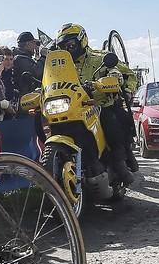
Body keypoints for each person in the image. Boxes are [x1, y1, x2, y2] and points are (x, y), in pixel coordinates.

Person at [52, 24, 137, 185]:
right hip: (72, 108)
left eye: (70, 45)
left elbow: (126, 74)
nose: (67, 49)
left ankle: (119, 161)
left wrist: (119, 83)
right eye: (63, 46)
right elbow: (50, 81)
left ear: (82, 41)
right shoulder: (60, 66)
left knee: (110, 121)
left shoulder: (101, 57)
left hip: (100, 104)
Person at [11, 32, 44, 97]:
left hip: (29, 96)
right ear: (28, 43)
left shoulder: (24, 57)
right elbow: (37, 73)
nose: (35, 46)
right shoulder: (20, 59)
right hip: (24, 98)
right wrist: (43, 57)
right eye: (33, 43)